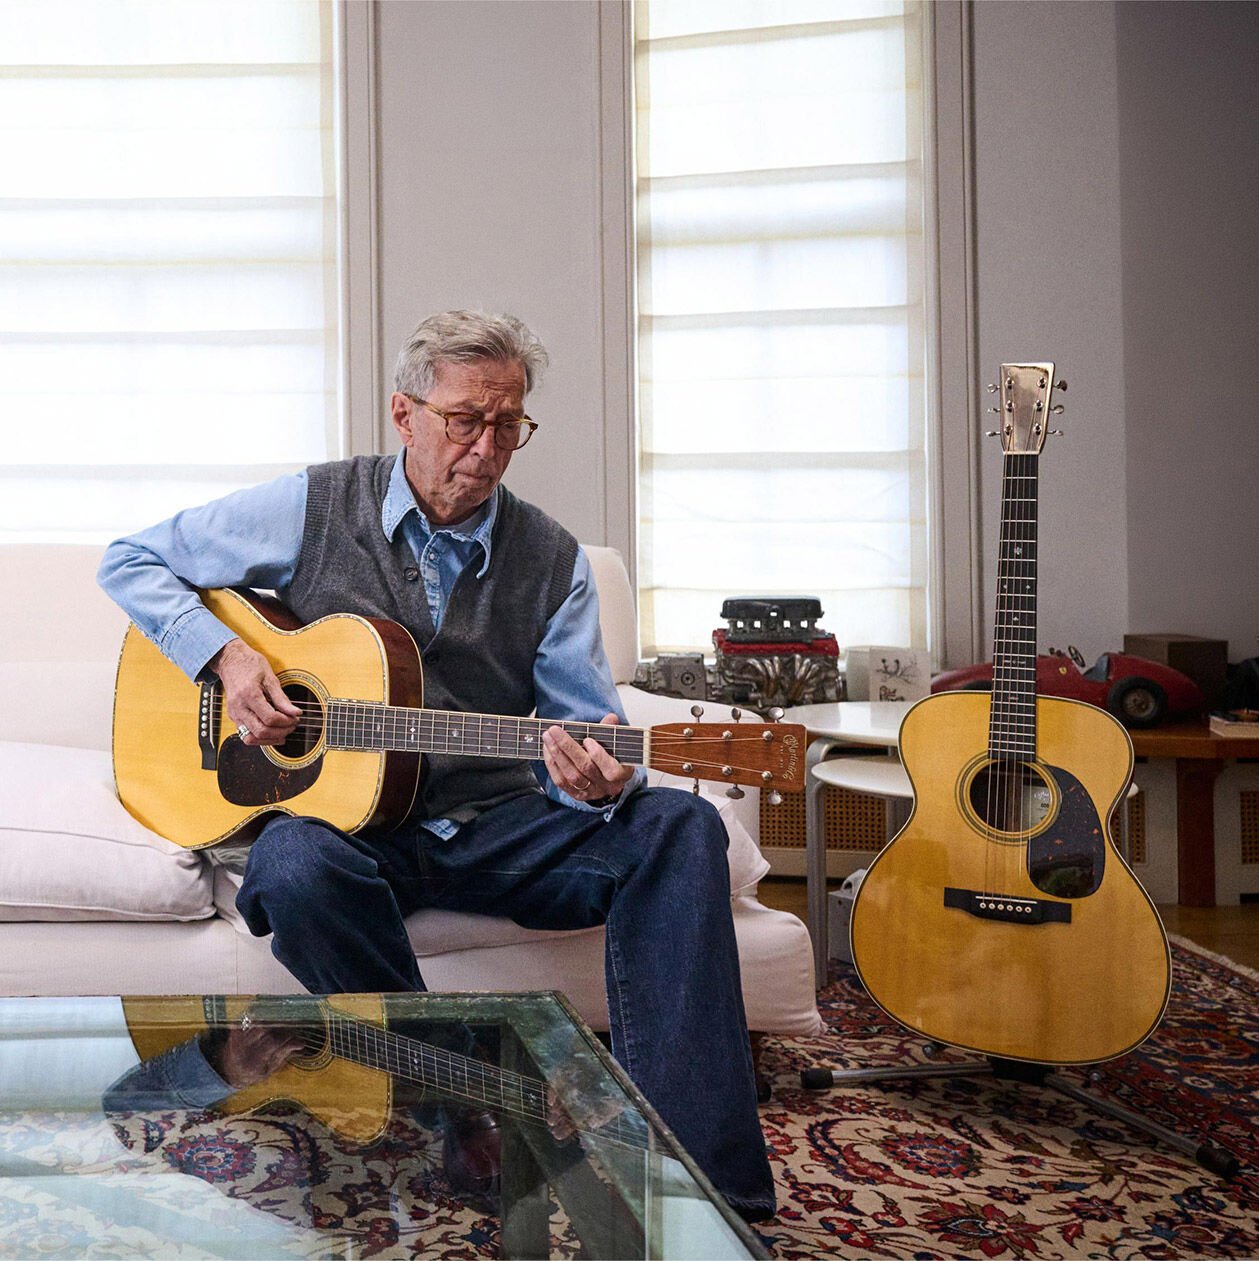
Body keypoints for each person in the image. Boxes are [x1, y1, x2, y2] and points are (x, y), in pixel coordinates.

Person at [98, 309, 775, 1221]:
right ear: (404, 413)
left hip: (497, 826)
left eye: (509, 425)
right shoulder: (312, 505)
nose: (487, 446)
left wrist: (595, 772)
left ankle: (706, 1192)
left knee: (682, 824)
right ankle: (465, 1094)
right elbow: (130, 558)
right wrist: (224, 655)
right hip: (354, 834)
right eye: (465, 419)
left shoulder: (553, 558)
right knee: (292, 864)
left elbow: (582, 724)